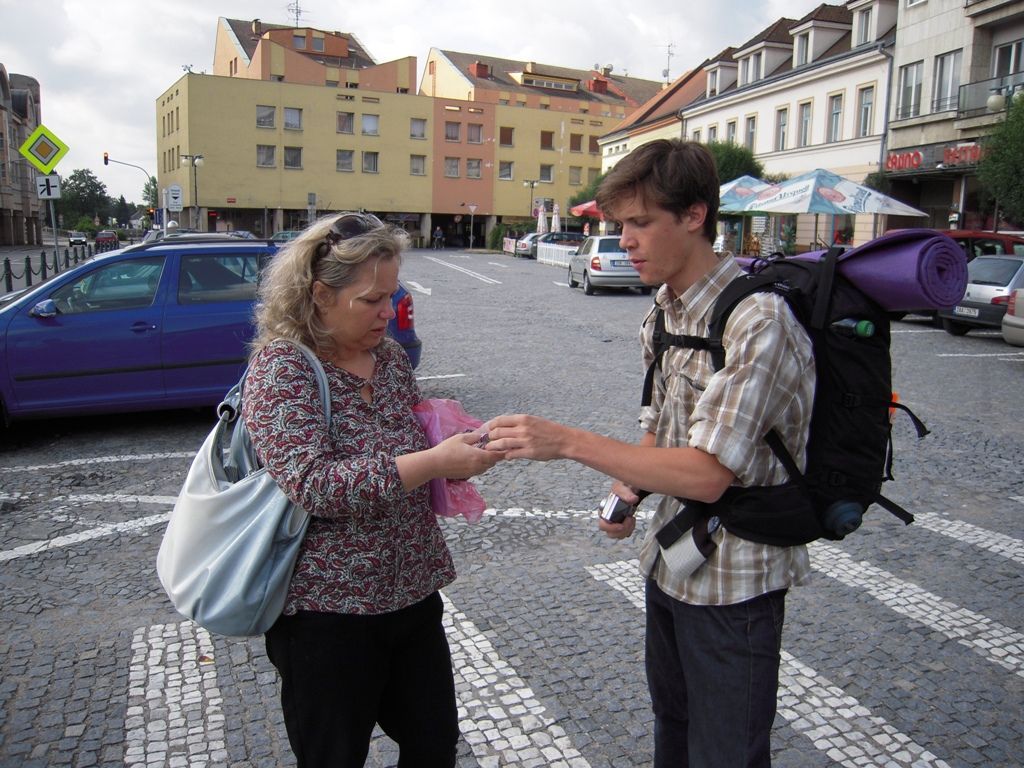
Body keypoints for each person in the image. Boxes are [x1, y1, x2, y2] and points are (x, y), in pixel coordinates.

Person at [485, 139, 815, 767]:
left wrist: (567, 442)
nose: (625, 242)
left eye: (640, 223)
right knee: (673, 728)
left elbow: (708, 474)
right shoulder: (663, 311)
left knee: (726, 752)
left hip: (734, 585)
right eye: (619, 225)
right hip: (669, 562)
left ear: (694, 216)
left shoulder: (757, 321)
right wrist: (627, 493)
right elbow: (661, 431)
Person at [242, 211, 502, 768]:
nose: (389, 311)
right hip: (326, 613)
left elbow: (413, 450)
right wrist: (432, 460)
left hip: (411, 593)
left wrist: (458, 462)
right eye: (370, 300)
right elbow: (314, 485)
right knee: (334, 757)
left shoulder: (388, 361)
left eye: (393, 295)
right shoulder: (283, 369)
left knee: (433, 745)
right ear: (319, 294)